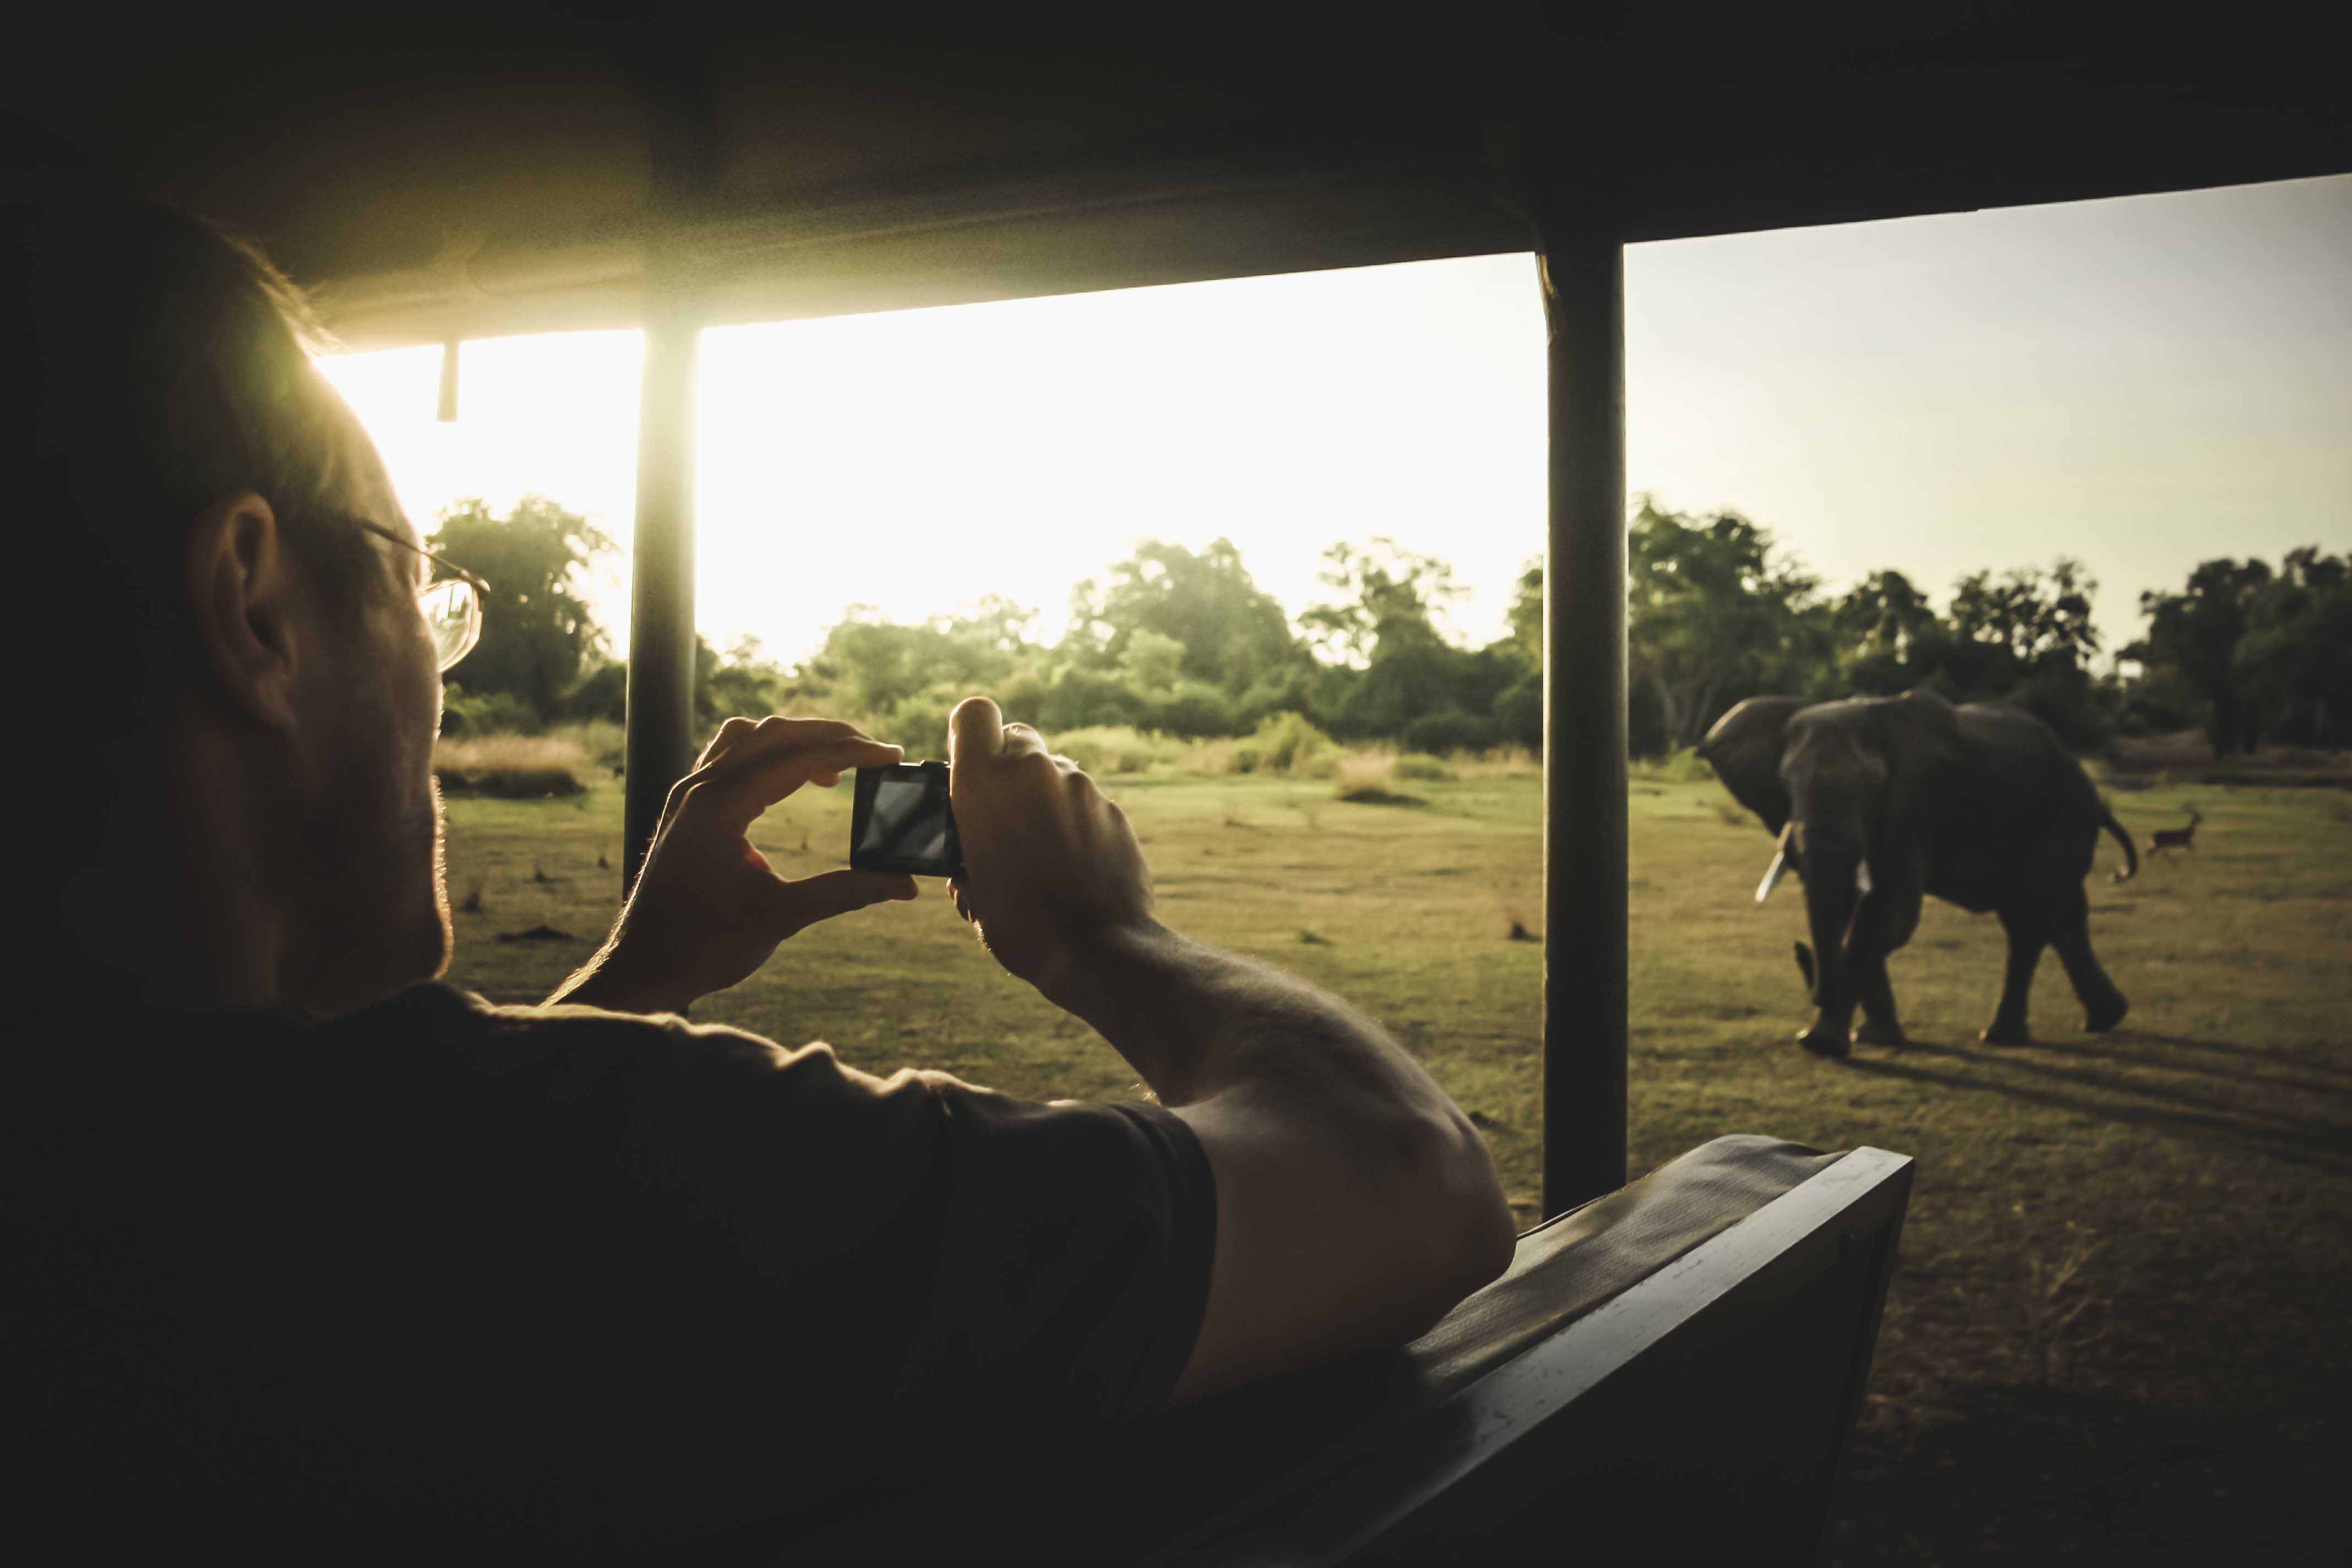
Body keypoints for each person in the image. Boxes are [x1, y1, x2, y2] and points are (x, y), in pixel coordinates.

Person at [4, 196, 1515, 1560]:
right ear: (252, 606)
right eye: (421, 588)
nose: (440, 675)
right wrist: (1103, 935)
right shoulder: (569, 1174)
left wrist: (628, 992)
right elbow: (1412, 1178)